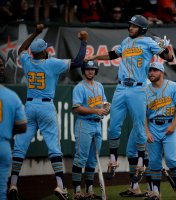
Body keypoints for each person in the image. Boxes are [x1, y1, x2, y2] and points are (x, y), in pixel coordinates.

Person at [85, 14, 173, 196]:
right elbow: (111, 54)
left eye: (133, 26)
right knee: (113, 127)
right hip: (121, 88)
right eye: (130, 25)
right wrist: (94, 55)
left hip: (138, 89)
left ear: (141, 28)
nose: (130, 28)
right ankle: (113, 160)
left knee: (140, 128)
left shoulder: (148, 42)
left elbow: (169, 58)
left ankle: (141, 162)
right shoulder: (125, 41)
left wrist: (166, 48)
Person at [8, 24, 88, 200]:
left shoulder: (28, 62)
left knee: (20, 147)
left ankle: (13, 183)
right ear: (44, 52)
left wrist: (35, 33)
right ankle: (60, 186)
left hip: (29, 107)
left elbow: (21, 49)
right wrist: (83, 42)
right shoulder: (52, 63)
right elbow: (78, 62)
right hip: (46, 107)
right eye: (45, 49)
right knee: (53, 147)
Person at [144, 62, 176, 200]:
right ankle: (156, 192)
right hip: (153, 127)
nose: (151, 73)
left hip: (169, 126)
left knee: (171, 159)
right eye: (150, 70)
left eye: (155, 70)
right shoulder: (145, 90)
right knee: (154, 162)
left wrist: (173, 125)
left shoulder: (172, 86)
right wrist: (147, 132)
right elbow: (142, 114)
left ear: (161, 72)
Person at [71, 61, 110, 200]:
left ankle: (89, 190)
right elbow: (77, 108)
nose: (90, 71)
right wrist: (95, 110)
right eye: (87, 69)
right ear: (84, 71)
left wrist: (106, 106)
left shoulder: (99, 86)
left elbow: (104, 102)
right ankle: (76, 191)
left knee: (92, 160)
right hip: (84, 123)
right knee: (80, 158)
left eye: (93, 69)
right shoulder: (79, 88)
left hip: (97, 124)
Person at [0, 86, 27, 200]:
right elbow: (22, 126)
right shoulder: (11, 95)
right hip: (3, 146)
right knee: (1, 190)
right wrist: (6, 131)